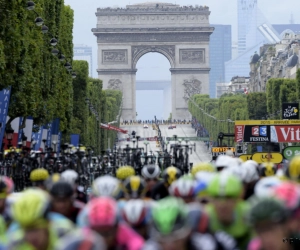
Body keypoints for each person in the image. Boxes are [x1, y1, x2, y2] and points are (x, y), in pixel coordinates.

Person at [142, 196, 238, 250]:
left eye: (176, 239)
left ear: (188, 231)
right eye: (162, 240)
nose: (170, 246)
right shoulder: (148, 247)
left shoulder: (212, 244)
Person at [7, 189, 73, 250]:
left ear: (48, 222)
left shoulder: (67, 236)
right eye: (27, 230)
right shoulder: (16, 245)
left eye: (35, 229)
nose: (31, 237)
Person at [205, 172, 253, 249]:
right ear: (210, 200)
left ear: (239, 198)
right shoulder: (204, 216)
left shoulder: (248, 213)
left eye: (228, 197)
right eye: (217, 197)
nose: (222, 204)